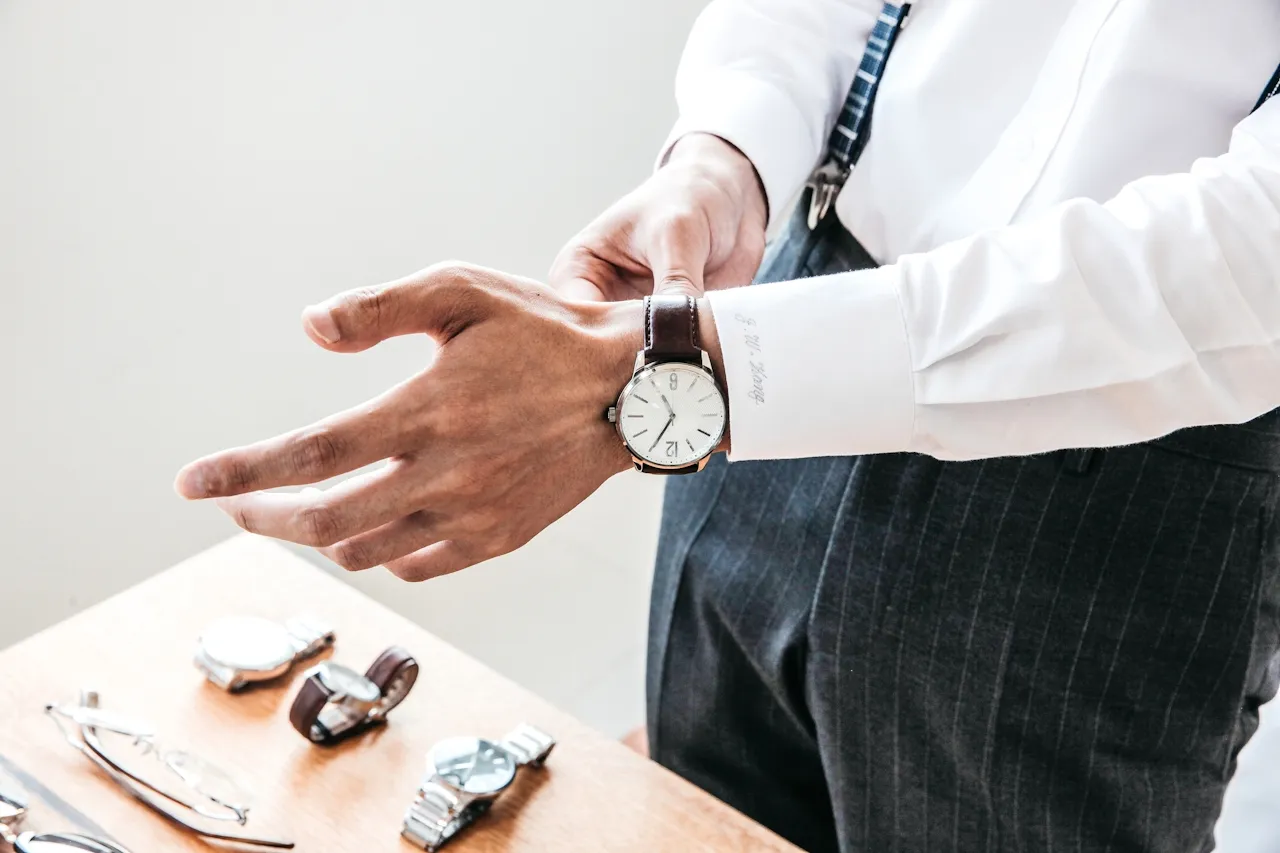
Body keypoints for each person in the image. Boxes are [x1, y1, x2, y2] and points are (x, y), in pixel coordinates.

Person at [176, 2, 1280, 850]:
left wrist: (668, 382)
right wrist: (727, 148)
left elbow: (1250, 254)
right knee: (697, 821)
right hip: (777, 317)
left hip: (1137, 467)